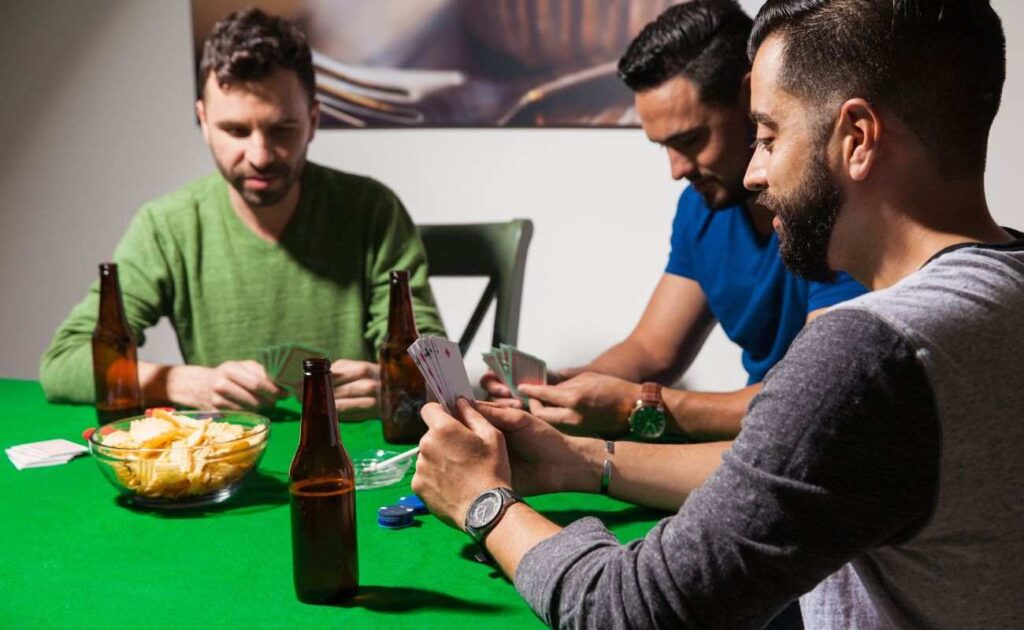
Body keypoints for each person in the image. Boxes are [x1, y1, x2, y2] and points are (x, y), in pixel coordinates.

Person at [413, 0, 1023, 627]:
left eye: (768, 135)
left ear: (858, 139)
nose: (755, 173)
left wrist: (485, 503)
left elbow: (631, 611)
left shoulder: (867, 355)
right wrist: (574, 457)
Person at [484, 0, 865, 441]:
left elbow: (813, 398)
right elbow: (651, 350)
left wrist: (635, 406)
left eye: (690, 139)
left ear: (752, 99)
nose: (677, 169)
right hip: (753, 444)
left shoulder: (830, 210)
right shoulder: (700, 209)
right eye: (662, 146)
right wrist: (561, 389)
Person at [40, 8, 445, 418]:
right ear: (203, 121)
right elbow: (62, 365)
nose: (260, 155)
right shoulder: (167, 226)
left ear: (313, 120)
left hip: (353, 463)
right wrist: (183, 381)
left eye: (281, 130)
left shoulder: (372, 210)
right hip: (221, 463)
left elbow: (436, 368)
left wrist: (394, 384)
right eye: (236, 130)